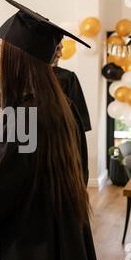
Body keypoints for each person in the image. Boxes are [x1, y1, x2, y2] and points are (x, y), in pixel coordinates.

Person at [0, 0, 99, 260]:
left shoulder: (22, 117)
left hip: (29, 246)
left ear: (17, 57)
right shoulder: (62, 106)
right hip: (64, 235)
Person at [52, 42, 91, 185]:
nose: (60, 54)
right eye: (57, 48)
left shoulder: (67, 78)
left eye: (61, 49)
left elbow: (79, 124)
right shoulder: (19, 79)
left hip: (61, 154)